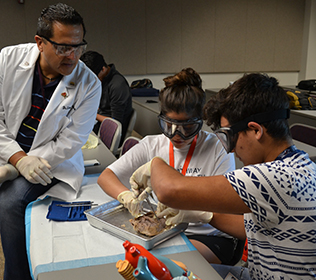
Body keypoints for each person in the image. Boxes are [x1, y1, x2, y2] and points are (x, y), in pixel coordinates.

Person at [129, 73, 316, 279]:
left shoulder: (276, 177)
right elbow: (251, 228)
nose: (231, 151)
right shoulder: (300, 165)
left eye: (230, 138)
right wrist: (206, 215)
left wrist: (156, 164)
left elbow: (168, 190)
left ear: (255, 130)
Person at [0, 3, 101, 280]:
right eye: (63, 47)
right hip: (3, 155)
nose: (72, 56)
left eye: (78, 47)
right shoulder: (9, 60)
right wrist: (17, 161)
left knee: (10, 202)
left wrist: (18, 168)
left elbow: (73, 139)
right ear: (40, 42)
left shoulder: (89, 83)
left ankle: (18, 276)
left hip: (50, 162)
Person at [97, 68, 240, 265]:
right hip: (164, 231)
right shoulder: (152, 145)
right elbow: (105, 177)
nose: (176, 136)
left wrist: (199, 211)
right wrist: (126, 197)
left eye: (187, 128)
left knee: (165, 264)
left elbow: (228, 206)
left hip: (206, 234)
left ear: (199, 122)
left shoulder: (217, 149)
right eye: (168, 126)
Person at [80, 50, 133, 145]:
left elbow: (115, 122)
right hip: (99, 126)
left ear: (103, 69)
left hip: (111, 134)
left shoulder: (117, 85)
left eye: (93, 76)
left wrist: (92, 114)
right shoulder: (103, 80)